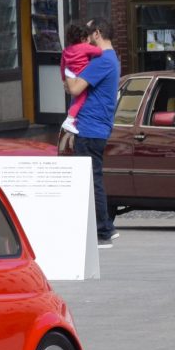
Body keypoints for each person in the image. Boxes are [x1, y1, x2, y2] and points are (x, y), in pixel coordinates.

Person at [63, 17, 121, 247]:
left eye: (88, 34)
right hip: (96, 126)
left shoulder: (102, 60)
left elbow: (75, 88)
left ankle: (103, 230)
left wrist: (67, 68)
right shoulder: (110, 59)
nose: (86, 39)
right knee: (91, 177)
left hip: (90, 127)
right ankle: (105, 228)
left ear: (97, 33)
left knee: (90, 179)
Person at [58, 21, 102, 155]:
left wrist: (64, 79)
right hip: (80, 74)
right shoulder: (84, 47)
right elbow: (99, 51)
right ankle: (70, 120)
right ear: (83, 38)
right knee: (81, 98)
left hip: (70, 73)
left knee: (76, 99)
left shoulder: (66, 50)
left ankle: (71, 118)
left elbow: (62, 65)